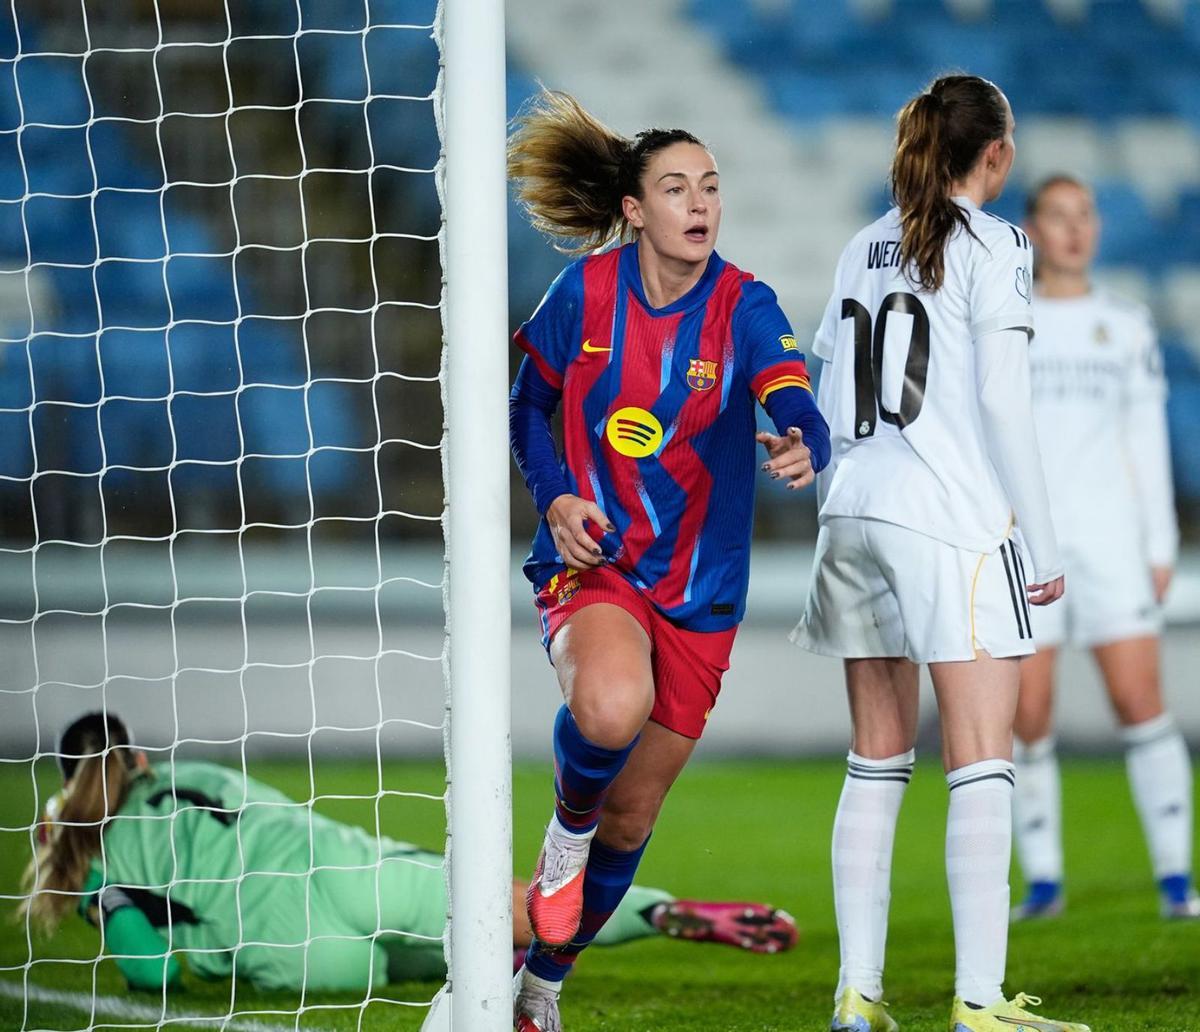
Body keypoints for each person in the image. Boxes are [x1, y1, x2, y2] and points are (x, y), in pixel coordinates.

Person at [506, 89, 830, 1031]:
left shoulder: (743, 303)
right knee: (611, 707)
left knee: (634, 819)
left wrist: (805, 436)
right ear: (636, 210)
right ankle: (559, 846)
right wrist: (557, 495)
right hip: (596, 562)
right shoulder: (584, 293)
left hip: (699, 592)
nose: (700, 204)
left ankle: (542, 989)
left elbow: (789, 387)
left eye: (712, 187)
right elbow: (529, 406)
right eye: (677, 187)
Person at [791, 75, 1090, 1032]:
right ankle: (979, 1001)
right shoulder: (997, 243)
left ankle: (858, 994)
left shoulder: (858, 243)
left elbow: (830, 391)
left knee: (875, 760)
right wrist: (1041, 541)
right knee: (979, 761)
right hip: (948, 521)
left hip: (853, 513)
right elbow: (1003, 403)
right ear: (995, 156)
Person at [19, 712, 798, 995]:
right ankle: (657, 911)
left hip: (292, 951)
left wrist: (106, 907)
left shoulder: (102, 849)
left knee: (410, 970)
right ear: (139, 757)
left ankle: (495, 973)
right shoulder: (195, 774)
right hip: (348, 867)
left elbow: (151, 972)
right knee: (515, 912)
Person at [1009, 174, 1197, 922]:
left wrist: (1160, 541)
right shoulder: (1006, 320)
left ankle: (1177, 877)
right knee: (1027, 715)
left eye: (1085, 215)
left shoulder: (1124, 323)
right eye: (1059, 216)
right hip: (1029, 542)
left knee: (1141, 703)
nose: (1076, 229)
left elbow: (1147, 441)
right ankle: (1044, 881)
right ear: (1032, 229)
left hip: (1112, 541)